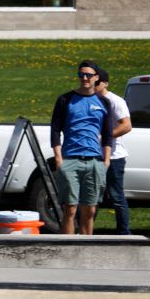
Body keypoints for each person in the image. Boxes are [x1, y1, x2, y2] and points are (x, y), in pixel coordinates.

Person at [49, 59, 116, 235]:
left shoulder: (104, 102)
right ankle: (68, 250)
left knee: (90, 211)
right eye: (81, 74)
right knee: (70, 210)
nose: (84, 78)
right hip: (70, 160)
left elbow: (108, 134)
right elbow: (55, 130)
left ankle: (87, 249)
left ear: (96, 78)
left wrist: (106, 161)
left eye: (88, 75)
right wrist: (59, 160)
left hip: (95, 161)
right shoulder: (65, 99)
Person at [95, 67, 133, 235]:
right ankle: (85, 232)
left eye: (97, 82)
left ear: (105, 83)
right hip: (95, 156)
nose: (93, 85)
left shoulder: (115, 101)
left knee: (116, 197)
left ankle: (124, 233)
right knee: (92, 197)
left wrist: (104, 138)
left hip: (115, 156)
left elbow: (126, 126)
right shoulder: (91, 100)